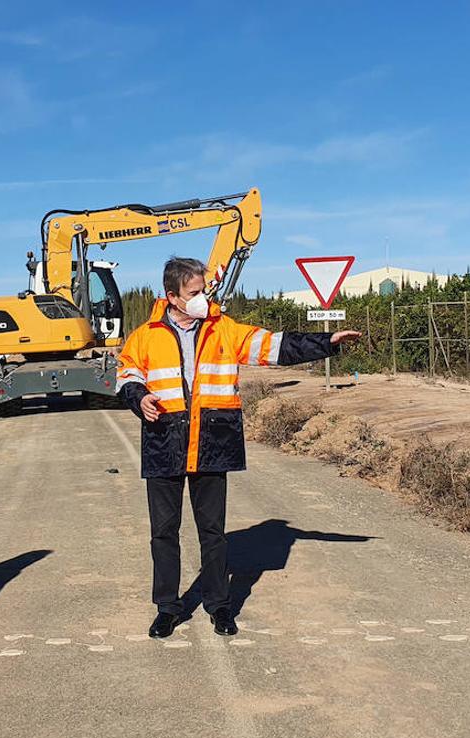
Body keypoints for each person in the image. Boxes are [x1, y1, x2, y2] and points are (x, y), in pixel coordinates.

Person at [116, 258, 361, 638]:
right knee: (164, 531)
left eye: (203, 291)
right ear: (172, 297)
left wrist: (325, 343)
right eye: (194, 293)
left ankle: (219, 606)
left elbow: (274, 346)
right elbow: (126, 372)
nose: (202, 299)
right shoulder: (144, 335)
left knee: (212, 531)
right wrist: (138, 396)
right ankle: (167, 607)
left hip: (212, 443)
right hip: (164, 441)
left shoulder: (223, 329)